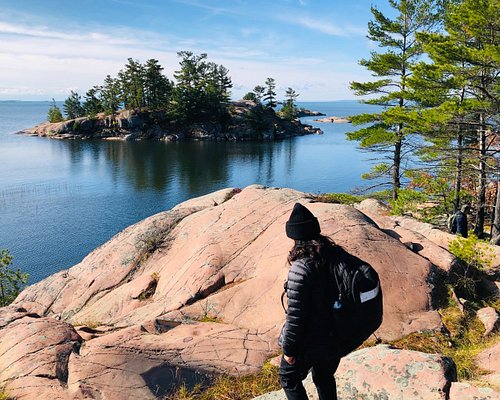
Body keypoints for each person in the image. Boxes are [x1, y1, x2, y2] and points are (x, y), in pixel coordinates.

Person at [278, 202, 342, 400]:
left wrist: (288, 349)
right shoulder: (335, 255)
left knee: (288, 378)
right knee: (324, 377)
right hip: (335, 335)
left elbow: (296, 318)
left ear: (295, 237)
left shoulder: (301, 269)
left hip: (310, 340)